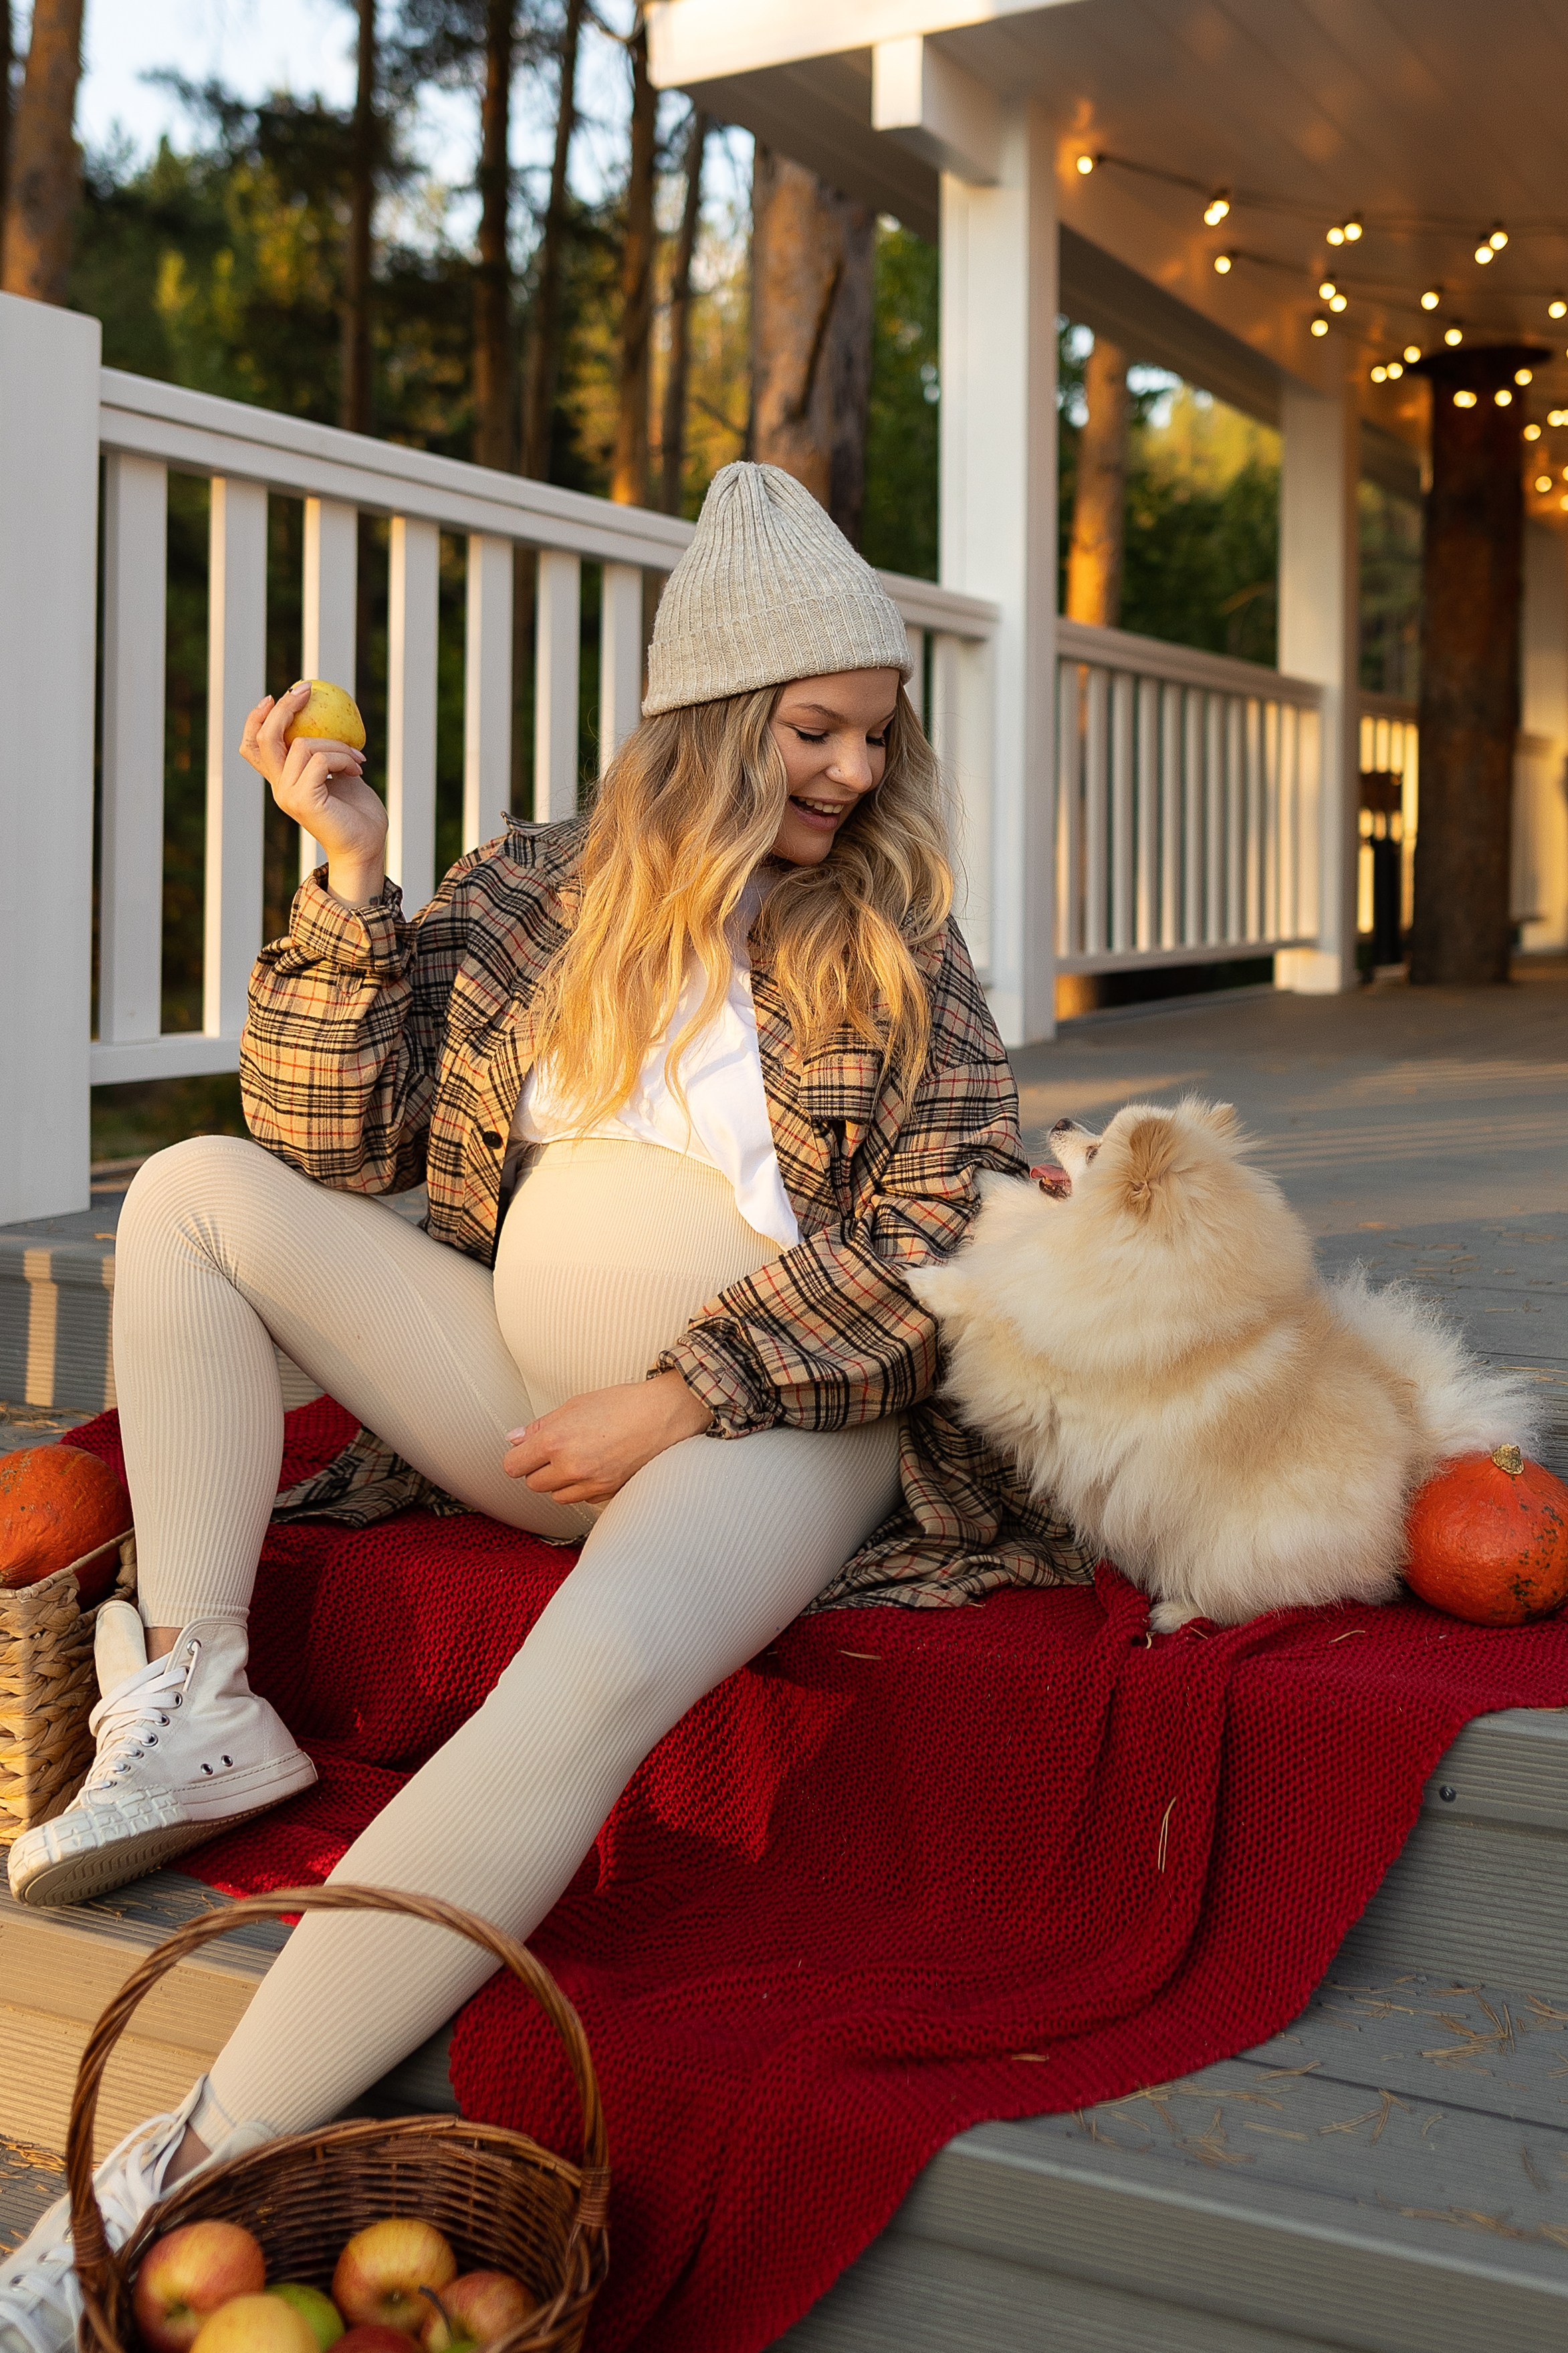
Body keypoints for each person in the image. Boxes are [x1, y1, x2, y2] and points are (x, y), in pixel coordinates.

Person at [0, 464, 1086, 2353]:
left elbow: (944, 1235)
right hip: (517, 1402)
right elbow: (325, 1149)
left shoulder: (890, 942)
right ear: (710, 718)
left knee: (562, 1690)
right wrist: (348, 882)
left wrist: (681, 1393)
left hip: (768, 1437)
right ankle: (194, 1692)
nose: (845, 771)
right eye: (810, 729)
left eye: (870, 737)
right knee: (189, 1189)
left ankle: (197, 2152)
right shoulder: (531, 891)